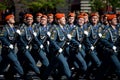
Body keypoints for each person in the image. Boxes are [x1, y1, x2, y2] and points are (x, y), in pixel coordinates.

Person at [16, 13, 41, 79]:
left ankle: (11, 73)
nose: (29, 20)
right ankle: (40, 74)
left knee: (20, 60)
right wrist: (24, 45)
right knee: (31, 61)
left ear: (32, 20)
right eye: (28, 19)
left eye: (31, 19)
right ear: (26, 20)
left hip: (27, 47)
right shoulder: (23, 27)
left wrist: (39, 44)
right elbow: (20, 38)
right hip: (23, 47)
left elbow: (33, 38)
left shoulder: (30, 28)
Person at [0, 14, 24, 79]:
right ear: (8, 21)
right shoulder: (5, 28)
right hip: (7, 49)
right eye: (11, 18)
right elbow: (2, 37)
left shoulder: (13, 28)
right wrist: (8, 44)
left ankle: (8, 75)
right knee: (15, 61)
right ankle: (22, 75)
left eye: (13, 18)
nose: (13, 19)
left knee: (4, 63)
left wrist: (19, 35)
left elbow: (17, 39)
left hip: (12, 49)